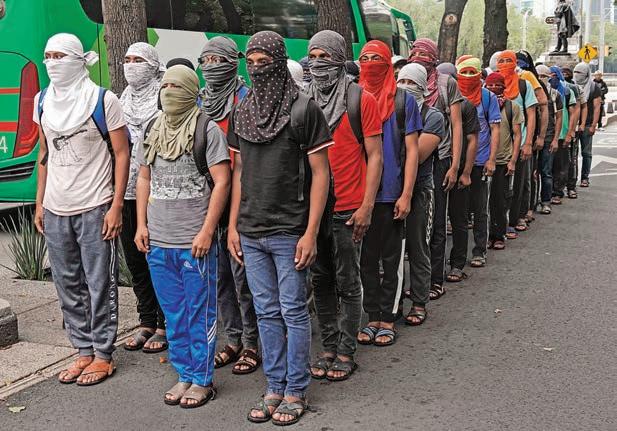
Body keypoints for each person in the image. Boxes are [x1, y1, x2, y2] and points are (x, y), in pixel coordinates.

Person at [227, 31, 332, 426]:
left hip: (290, 229)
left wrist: (311, 232)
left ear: (278, 62)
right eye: (250, 62)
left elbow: (321, 174)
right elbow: (238, 172)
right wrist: (233, 226)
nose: (257, 69)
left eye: (264, 62)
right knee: (266, 311)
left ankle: (295, 390)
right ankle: (274, 386)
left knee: (293, 310)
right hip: (251, 230)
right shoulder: (242, 111)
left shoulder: (304, 110)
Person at [33, 33, 129, 386]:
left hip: (95, 204)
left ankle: (103, 354)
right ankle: (83, 350)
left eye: (60, 56)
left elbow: (122, 153)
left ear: (77, 59)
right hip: (56, 207)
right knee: (67, 283)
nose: (52, 63)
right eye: (48, 56)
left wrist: (116, 205)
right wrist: (40, 202)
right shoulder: (41, 100)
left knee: (99, 281)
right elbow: (44, 154)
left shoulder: (103, 100)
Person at [135, 65, 231, 408]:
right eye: (165, 86)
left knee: (199, 313)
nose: (168, 92)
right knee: (173, 313)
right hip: (158, 241)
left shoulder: (207, 130)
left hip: (194, 242)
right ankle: (183, 373)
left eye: (176, 86)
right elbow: (144, 178)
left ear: (191, 90)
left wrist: (207, 230)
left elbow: (222, 181)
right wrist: (141, 224)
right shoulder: (152, 128)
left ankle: (202, 379)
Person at [306, 31, 383, 379]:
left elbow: (375, 155)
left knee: (348, 281)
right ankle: (328, 345)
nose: (318, 63)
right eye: (313, 56)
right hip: (314, 207)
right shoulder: (303, 99)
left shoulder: (360, 99)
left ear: (339, 58)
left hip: (349, 206)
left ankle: (346, 350)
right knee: (321, 279)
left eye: (325, 56)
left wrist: (367, 206)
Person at [197, 36, 260, 375]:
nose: (211, 67)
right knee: (219, 275)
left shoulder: (246, 98)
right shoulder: (198, 100)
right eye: (205, 61)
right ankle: (232, 337)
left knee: (243, 276)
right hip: (207, 200)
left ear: (233, 62)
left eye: (218, 60)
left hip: (242, 196)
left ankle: (252, 341)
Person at [358, 40, 421, 332]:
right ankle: (372, 315)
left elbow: (412, 151)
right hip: (360, 195)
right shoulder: (354, 98)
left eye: (376, 58)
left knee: (392, 259)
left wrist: (406, 194)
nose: (370, 64)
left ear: (388, 64)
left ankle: (389, 317)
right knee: (366, 260)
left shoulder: (403, 101)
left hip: (391, 193)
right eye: (365, 58)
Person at [119, 42, 168, 354]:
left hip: (158, 191)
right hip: (126, 190)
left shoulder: (165, 96)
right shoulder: (120, 101)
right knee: (135, 260)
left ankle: (165, 323)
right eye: (127, 59)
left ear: (152, 65)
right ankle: (146, 319)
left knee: (158, 259)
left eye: (138, 60)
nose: (131, 65)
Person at [408, 38, 464, 300]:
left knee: (436, 221)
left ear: (434, 57)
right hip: (408, 157)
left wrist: (455, 165)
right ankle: (416, 281)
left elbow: (457, 124)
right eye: (415, 52)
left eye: (425, 53)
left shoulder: (445, 83)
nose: (419, 57)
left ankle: (435, 280)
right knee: (413, 228)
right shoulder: (407, 79)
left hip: (439, 158)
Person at [396, 63, 445, 321]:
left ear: (424, 87)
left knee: (418, 247)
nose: (405, 87)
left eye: (412, 83)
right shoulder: (392, 109)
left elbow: (417, 154)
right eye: (401, 81)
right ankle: (392, 304)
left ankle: (418, 302)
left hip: (420, 190)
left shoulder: (433, 117)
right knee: (392, 251)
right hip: (391, 189)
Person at [453, 56, 500, 269]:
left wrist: (492, 159)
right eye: (464, 72)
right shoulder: (452, 95)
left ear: (479, 74)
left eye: (473, 72)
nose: (468, 76)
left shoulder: (488, 97)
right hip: (456, 162)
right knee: (459, 212)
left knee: (480, 209)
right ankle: (458, 256)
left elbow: (495, 129)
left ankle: (479, 250)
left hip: (480, 161)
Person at [438, 62, 481, 284]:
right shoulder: (429, 101)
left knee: (458, 218)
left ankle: (457, 264)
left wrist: (465, 171)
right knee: (437, 221)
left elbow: (472, 140)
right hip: (438, 167)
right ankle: (435, 269)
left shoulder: (465, 106)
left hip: (459, 166)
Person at [496, 50, 538, 240]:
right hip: (498, 144)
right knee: (499, 188)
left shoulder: (523, 85)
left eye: (508, 60)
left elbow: (531, 114)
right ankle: (498, 223)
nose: (505, 64)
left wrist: (528, 142)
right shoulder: (493, 84)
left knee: (518, 183)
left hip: (519, 143)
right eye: (501, 61)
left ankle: (514, 220)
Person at [485, 72, 522, 250]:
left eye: (497, 85)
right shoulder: (482, 103)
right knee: (483, 204)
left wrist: (513, 161)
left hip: (502, 160)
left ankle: (498, 235)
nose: (493, 88)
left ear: (504, 86)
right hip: (483, 160)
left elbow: (517, 134)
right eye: (490, 85)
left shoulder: (512, 107)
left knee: (500, 201)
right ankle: (485, 236)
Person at [516, 50, 548, 224]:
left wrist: (540, 136)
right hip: (510, 137)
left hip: (528, 134)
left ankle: (526, 210)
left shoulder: (527, 77)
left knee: (528, 176)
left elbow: (543, 106)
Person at [536, 64, 563, 214]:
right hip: (533, 139)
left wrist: (555, 139)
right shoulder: (532, 93)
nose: (541, 79)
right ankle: (531, 204)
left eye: (544, 76)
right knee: (532, 174)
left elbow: (559, 118)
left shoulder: (555, 95)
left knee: (546, 172)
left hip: (548, 138)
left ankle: (546, 201)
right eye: (538, 76)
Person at [574, 62, 602, 188]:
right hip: (573, 125)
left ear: (586, 74)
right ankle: (571, 180)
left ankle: (585, 178)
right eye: (575, 72)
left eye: (580, 72)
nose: (577, 75)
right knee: (572, 154)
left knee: (586, 153)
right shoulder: (572, 85)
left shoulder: (593, 87)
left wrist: (593, 125)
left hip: (587, 124)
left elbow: (597, 108)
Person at [562, 65, 588, 198]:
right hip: (559, 130)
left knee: (572, 158)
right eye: (562, 73)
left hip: (572, 130)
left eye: (567, 73)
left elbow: (581, 108)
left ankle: (571, 187)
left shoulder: (575, 88)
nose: (564, 75)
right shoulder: (557, 88)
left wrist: (579, 125)